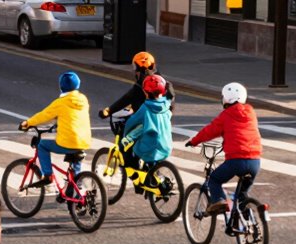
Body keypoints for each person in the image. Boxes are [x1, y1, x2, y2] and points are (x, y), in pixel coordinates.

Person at [185, 82, 262, 216]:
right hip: (255, 161)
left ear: (226, 99)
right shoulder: (251, 112)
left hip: (236, 161)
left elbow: (209, 131)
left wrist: (194, 141)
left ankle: (219, 201)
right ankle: (247, 225)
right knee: (242, 195)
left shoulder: (226, 115)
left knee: (214, 180)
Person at [19, 72, 91, 196]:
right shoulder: (83, 100)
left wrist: (27, 123)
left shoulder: (60, 102)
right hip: (83, 141)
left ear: (61, 86)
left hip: (68, 141)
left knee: (42, 145)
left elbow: (44, 115)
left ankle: (47, 176)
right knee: (75, 171)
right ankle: (77, 196)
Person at [120, 74, 172, 187]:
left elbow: (132, 123)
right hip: (166, 145)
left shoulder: (145, 108)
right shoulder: (167, 105)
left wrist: (125, 133)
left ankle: (137, 178)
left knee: (128, 153)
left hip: (149, 149)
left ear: (145, 92)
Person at [98, 51, 176, 119]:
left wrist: (108, 111)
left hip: (145, 123)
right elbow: (171, 103)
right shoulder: (164, 83)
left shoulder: (141, 86)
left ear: (138, 69)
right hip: (164, 123)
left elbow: (125, 99)